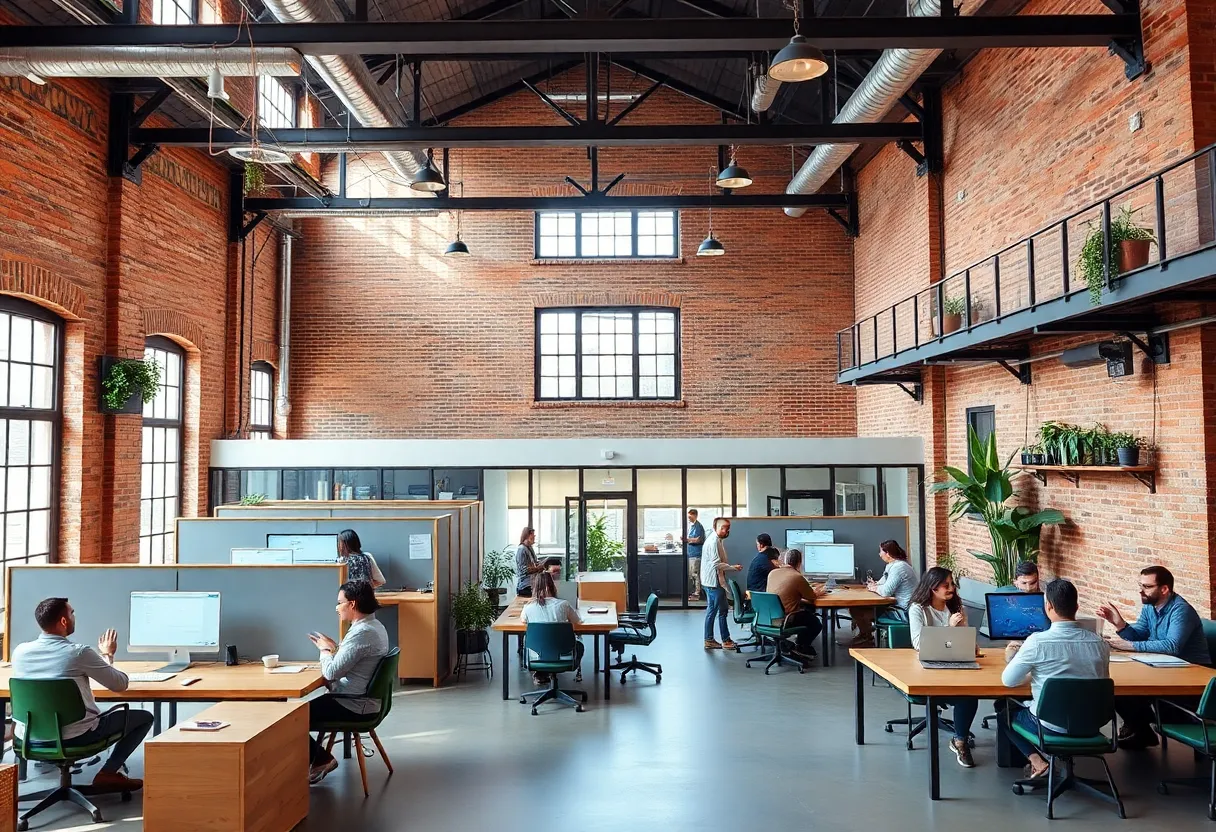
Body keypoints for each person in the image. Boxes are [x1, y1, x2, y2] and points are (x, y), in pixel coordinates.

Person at [11, 597, 152, 792]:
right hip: (77, 738)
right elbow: (119, 684)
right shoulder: (78, 653)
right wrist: (107, 655)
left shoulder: (19, 652)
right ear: (63, 621)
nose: (73, 617)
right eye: (72, 613)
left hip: (29, 738)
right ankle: (108, 772)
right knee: (144, 717)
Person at [999, 579, 1110, 779]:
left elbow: (1009, 681)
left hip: (1050, 725)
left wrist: (1033, 671)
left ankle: (1038, 762)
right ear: (1076, 607)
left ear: (1048, 606)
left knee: (1004, 711)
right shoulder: (1100, 643)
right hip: (1091, 723)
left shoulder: (1037, 642)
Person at [1095, 565, 1211, 748]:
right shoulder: (1150, 607)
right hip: (1164, 669)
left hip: (1189, 677)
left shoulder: (1181, 610)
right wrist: (1120, 625)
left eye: (1147, 586)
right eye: (1140, 585)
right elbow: (1140, 634)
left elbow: (1172, 646)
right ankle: (1142, 732)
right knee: (1118, 687)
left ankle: (1143, 730)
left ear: (1164, 589)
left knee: (1130, 693)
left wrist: (1130, 645)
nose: (1141, 590)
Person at [306, 580, 390, 784]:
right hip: (361, 700)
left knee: (289, 719)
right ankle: (318, 758)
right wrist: (335, 649)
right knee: (294, 715)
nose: (336, 608)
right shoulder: (372, 626)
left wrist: (325, 651)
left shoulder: (363, 633)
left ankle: (320, 759)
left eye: (339, 602)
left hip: (352, 704)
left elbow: (331, 672)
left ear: (352, 604)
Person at [908, 567, 981, 768]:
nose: (951, 588)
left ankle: (960, 740)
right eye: (946, 585)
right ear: (932, 588)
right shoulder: (918, 609)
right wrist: (949, 628)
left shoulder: (955, 606)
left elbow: (963, 641)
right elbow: (919, 645)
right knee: (964, 694)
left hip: (957, 665)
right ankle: (960, 740)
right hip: (928, 671)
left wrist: (969, 642)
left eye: (952, 584)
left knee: (970, 694)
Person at [520, 571, 584, 683]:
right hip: (564, 655)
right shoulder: (564, 604)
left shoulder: (528, 607)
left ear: (534, 588)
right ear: (552, 586)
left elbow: (523, 620)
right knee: (579, 642)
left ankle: (541, 672)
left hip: (537, 656)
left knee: (534, 640)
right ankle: (546, 673)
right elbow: (577, 621)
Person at [764, 548, 825, 663]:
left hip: (768, 618)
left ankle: (791, 645)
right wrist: (819, 591)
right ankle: (800, 647)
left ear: (785, 560)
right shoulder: (797, 577)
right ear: (799, 562)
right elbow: (811, 597)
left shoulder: (772, 573)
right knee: (815, 623)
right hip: (786, 618)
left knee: (806, 613)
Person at [700, 517, 743, 650]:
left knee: (722, 610)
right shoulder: (713, 542)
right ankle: (710, 639)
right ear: (715, 528)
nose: (725, 530)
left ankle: (725, 639)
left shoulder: (716, 540)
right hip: (713, 582)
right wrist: (732, 567)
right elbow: (716, 564)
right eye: (722, 528)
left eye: (727, 528)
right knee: (713, 611)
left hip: (714, 581)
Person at [864, 539, 917, 623]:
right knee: (861, 609)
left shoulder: (899, 568)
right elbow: (883, 581)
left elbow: (886, 591)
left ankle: (867, 634)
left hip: (903, 611)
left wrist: (874, 588)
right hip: (900, 606)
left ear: (888, 553)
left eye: (881, 552)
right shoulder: (894, 565)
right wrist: (875, 584)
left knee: (859, 612)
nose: (879, 555)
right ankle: (866, 634)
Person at [683, 509, 706, 601]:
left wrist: (687, 540)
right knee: (691, 574)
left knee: (695, 574)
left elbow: (698, 540)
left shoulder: (698, 526)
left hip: (696, 554)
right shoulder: (692, 526)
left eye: (690, 517)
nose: (688, 519)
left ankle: (697, 593)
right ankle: (695, 592)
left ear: (695, 516)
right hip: (691, 554)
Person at [515, 527, 542, 598]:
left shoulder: (530, 548)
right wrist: (537, 568)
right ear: (527, 536)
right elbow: (523, 569)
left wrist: (540, 565)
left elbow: (534, 562)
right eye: (532, 534)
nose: (534, 536)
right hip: (525, 586)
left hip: (532, 584)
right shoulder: (521, 549)